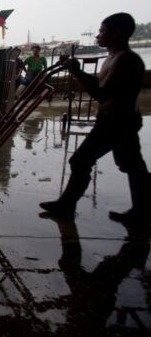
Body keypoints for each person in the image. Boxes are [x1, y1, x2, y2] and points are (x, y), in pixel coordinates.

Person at [40, 13, 150, 226]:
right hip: (117, 120)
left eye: (102, 31)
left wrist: (76, 73)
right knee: (132, 165)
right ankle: (141, 211)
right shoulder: (114, 57)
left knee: (81, 161)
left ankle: (66, 205)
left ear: (117, 33)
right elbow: (102, 83)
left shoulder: (125, 60)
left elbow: (103, 94)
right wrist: (78, 72)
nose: (98, 36)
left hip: (116, 122)